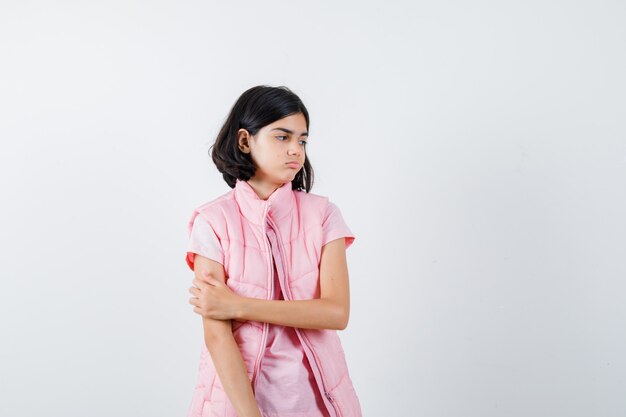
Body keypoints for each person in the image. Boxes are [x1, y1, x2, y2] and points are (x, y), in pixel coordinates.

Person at [185, 85, 362, 417]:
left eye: (302, 140)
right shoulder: (211, 221)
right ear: (245, 141)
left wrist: (237, 305)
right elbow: (216, 336)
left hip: (317, 402)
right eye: (282, 137)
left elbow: (336, 313)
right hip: (237, 404)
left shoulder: (324, 215)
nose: (296, 150)